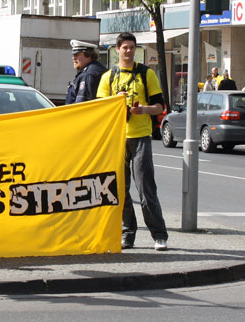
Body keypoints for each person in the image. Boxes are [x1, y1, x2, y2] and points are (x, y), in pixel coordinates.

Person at [96, 32, 168, 251]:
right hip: (117, 139)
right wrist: (115, 102)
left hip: (140, 137)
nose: (128, 51)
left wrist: (142, 109)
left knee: (146, 188)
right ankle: (128, 234)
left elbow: (160, 107)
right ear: (116, 49)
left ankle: (159, 235)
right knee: (120, 190)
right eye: (125, 47)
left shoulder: (146, 74)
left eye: (132, 47)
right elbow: (99, 109)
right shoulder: (108, 76)